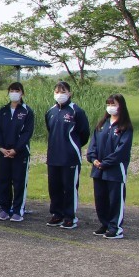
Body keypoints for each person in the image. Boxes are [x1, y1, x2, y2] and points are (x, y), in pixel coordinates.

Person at [87, 93, 134, 239]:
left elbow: (122, 150)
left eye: (113, 104)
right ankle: (105, 224)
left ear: (121, 106)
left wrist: (106, 162)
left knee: (115, 199)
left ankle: (115, 227)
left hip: (114, 170)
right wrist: (93, 158)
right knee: (100, 198)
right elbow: (93, 144)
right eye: (108, 104)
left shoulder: (125, 127)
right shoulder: (102, 124)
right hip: (98, 169)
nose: (110, 107)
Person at [43, 81, 90, 229]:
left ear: (69, 93)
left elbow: (84, 134)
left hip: (70, 157)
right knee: (54, 187)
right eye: (57, 92)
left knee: (69, 188)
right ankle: (57, 214)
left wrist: (72, 146)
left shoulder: (76, 111)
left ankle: (70, 217)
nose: (60, 95)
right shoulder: (50, 111)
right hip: (53, 156)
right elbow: (50, 129)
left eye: (63, 92)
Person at [0, 81, 34, 222]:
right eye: (11, 91)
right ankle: (4, 209)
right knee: (3, 181)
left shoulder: (27, 111)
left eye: (17, 91)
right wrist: (1, 147)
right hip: (3, 152)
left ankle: (17, 210)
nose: (14, 93)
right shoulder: (2, 111)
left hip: (20, 153)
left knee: (19, 182)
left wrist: (16, 149)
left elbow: (27, 133)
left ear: (22, 93)